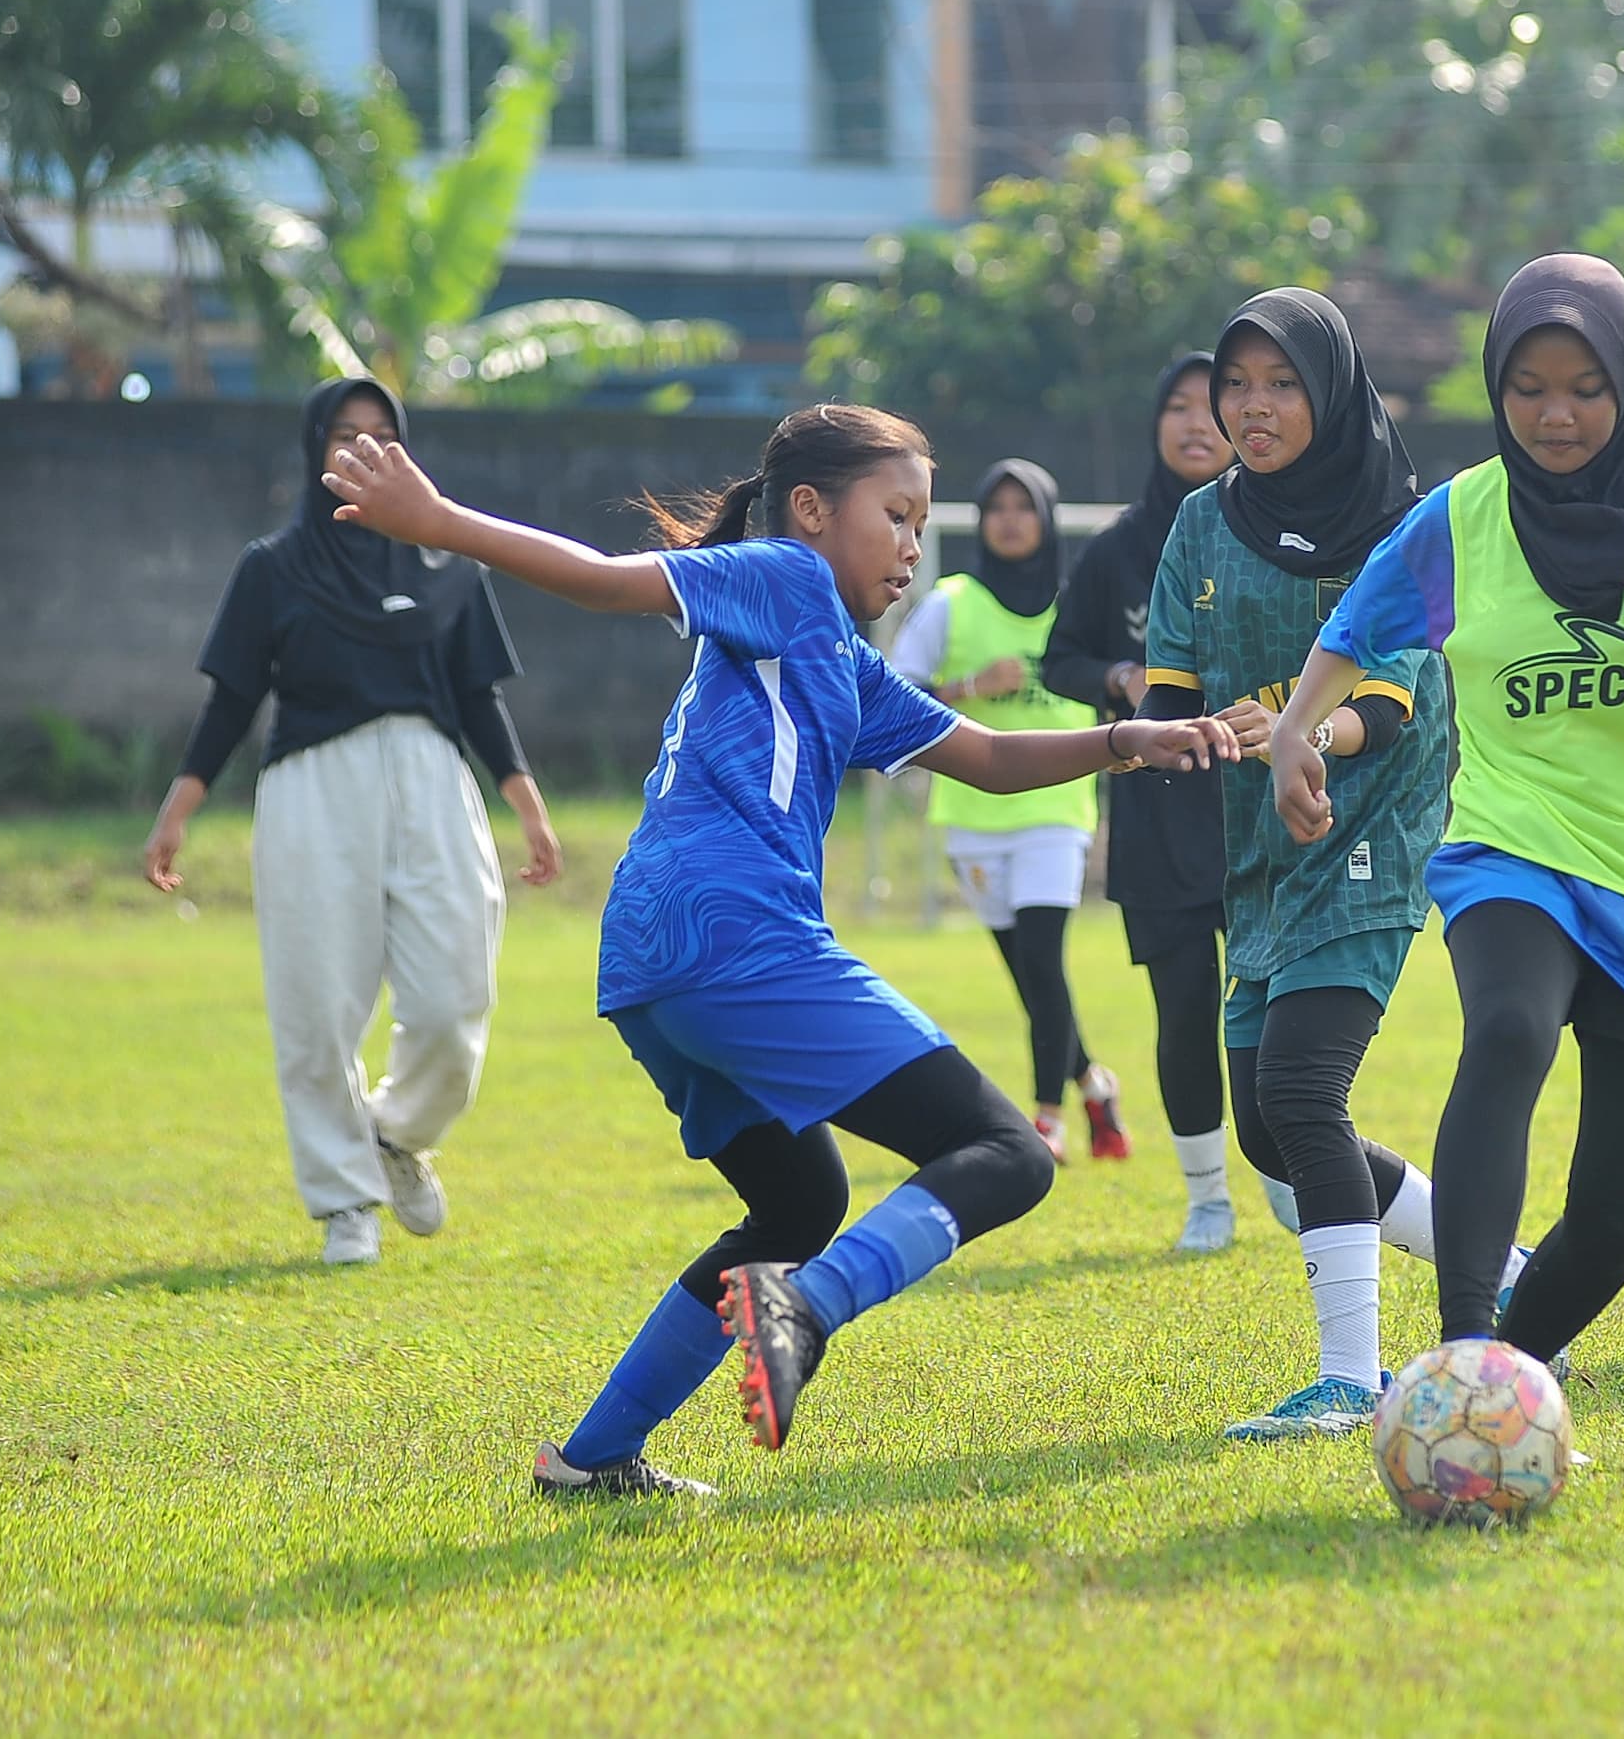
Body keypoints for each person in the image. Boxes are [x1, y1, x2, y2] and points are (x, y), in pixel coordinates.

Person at [317, 403, 1236, 1497]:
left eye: (918, 522)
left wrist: (1127, 741)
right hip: (736, 934)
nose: (910, 544)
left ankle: (590, 1457)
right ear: (810, 511)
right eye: (895, 515)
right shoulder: (787, 578)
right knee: (1008, 1152)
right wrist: (440, 520)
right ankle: (806, 1307)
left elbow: (985, 755)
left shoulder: (839, 660)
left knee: (797, 1208)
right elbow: (608, 579)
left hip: (652, 958)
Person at [1268, 254, 1624, 1373]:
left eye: (1583, 387)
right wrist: (1292, 732)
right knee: (1509, 1028)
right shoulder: (1462, 519)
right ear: (1493, 387)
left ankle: (1503, 1372)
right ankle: (1460, 1348)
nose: (1555, 414)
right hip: (1512, 845)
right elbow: (1360, 627)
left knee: (1613, 1226)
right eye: (1527, 388)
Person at [1137, 289, 1491, 1441]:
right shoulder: (1199, 523)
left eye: (1281, 383)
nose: (1252, 406)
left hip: (1373, 829)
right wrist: (1182, 736)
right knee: (1262, 1130)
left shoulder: (1403, 522)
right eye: (1234, 385)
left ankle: (1352, 1380)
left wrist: (1298, 733)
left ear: (1330, 391)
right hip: (1259, 849)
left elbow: (1386, 698)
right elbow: (1171, 689)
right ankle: (1517, 1277)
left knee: (1301, 1092)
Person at [142, 377, 562, 1268]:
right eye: (345, 436)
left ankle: (395, 1132)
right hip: (310, 787)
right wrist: (179, 810)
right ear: (315, 449)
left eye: (383, 437)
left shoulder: (449, 561)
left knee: (455, 1001)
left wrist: (527, 806)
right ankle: (344, 1202)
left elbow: (480, 697)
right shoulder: (273, 567)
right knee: (316, 1003)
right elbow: (233, 698)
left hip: (432, 777)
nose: (364, 452)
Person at [1046, 354, 1299, 1250]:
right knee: (1183, 1007)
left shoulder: (1279, 532)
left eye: (1217, 403)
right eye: (1179, 406)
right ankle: (1205, 1198)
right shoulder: (1117, 547)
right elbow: (1061, 655)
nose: (1199, 422)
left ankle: (1281, 1173)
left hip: (1261, 811)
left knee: (1275, 1015)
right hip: (1159, 811)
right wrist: (1117, 674)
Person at [891, 459, 1126, 1164]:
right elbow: (894, 689)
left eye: (1024, 507)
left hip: (1056, 808)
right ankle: (1094, 1082)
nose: (1009, 519)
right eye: (996, 507)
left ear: (1048, 518)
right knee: (1028, 972)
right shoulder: (951, 601)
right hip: (971, 811)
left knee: (1044, 960)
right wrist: (966, 685)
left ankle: (1046, 1116)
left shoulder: (1079, 605)